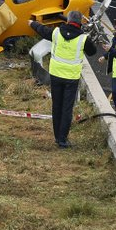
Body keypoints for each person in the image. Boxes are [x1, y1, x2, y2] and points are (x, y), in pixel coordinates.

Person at [29, 10, 97, 148]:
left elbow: (43, 30)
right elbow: (92, 51)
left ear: (68, 20)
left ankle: (57, 136)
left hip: (56, 75)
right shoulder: (83, 38)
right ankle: (62, 139)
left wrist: (32, 23)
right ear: (80, 22)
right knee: (67, 108)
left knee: (57, 106)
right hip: (71, 78)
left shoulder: (56, 33)